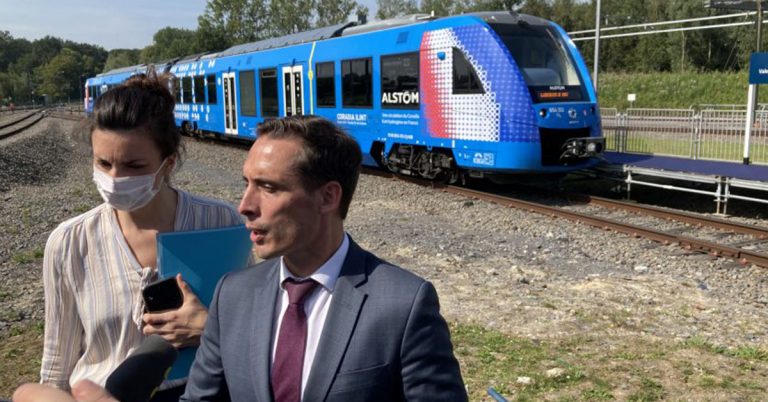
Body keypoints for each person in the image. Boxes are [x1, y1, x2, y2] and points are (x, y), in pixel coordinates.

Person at [182, 115, 468, 401]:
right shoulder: (232, 295)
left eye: (268, 188)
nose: (245, 205)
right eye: (246, 184)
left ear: (328, 197)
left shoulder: (403, 306)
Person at [40, 70, 244, 401]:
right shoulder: (68, 243)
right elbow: (56, 366)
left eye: (134, 166)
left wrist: (209, 329)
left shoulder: (221, 222)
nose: (114, 178)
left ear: (168, 163)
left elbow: (252, 329)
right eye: (103, 163)